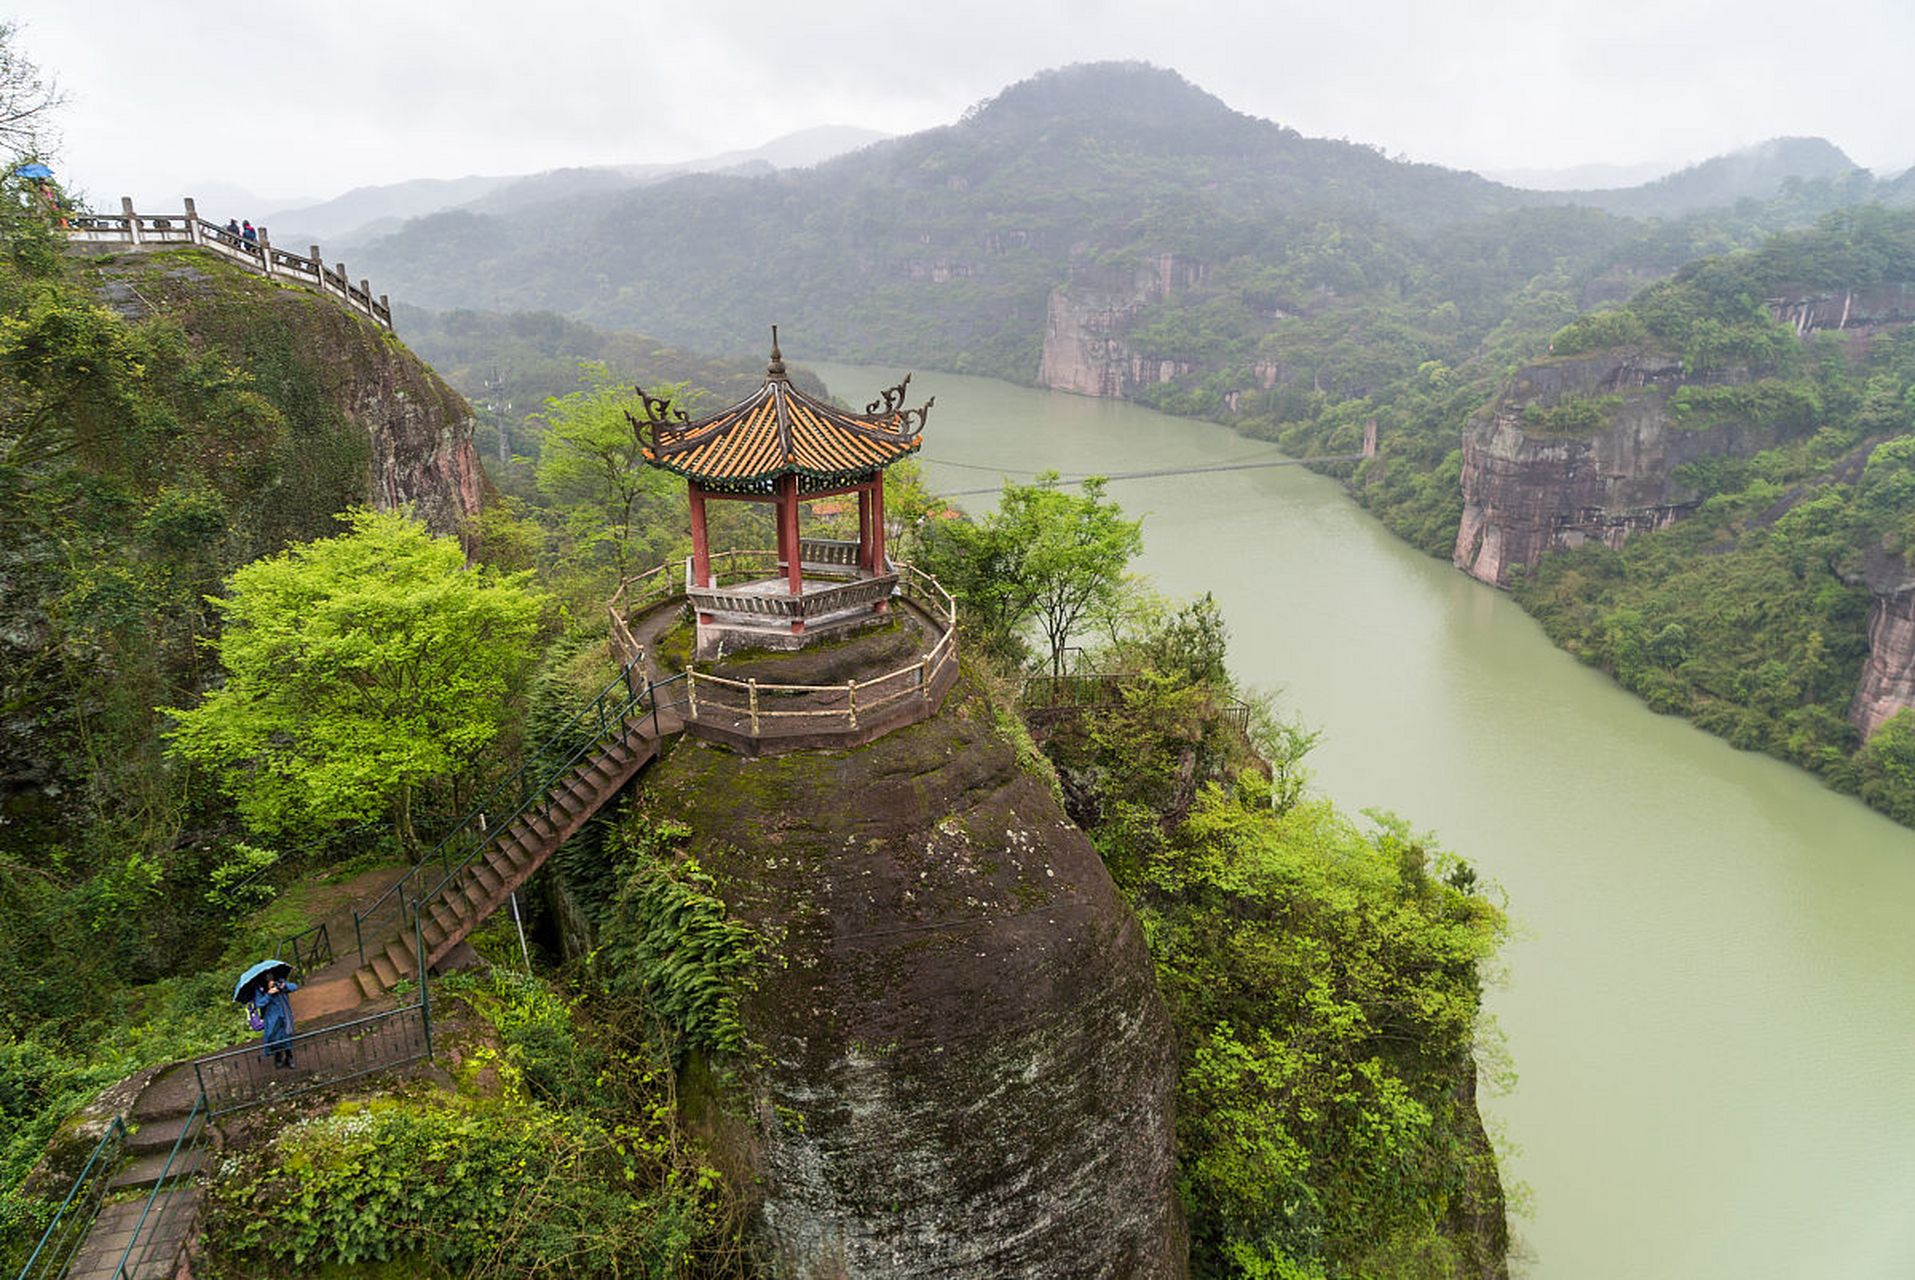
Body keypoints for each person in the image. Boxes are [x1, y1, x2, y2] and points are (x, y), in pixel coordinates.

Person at [255, 971, 299, 1069]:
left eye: (271, 976)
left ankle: (289, 1057)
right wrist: (268, 994)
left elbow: (294, 986)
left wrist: (284, 986)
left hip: (284, 1013)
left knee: (286, 1035)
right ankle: (278, 1057)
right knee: (274, 1036)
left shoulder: (279, 981)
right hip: (271, 1017)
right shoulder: (260, 989)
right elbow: (259, 1003)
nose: (269, 978)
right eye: (267, 977)